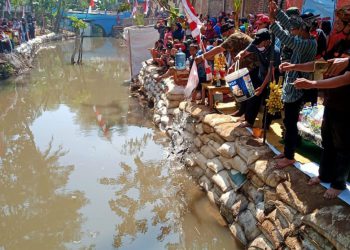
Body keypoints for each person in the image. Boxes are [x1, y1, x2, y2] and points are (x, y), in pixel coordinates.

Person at [269, 0, 317, 169]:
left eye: (295, 29)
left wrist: (273, 23)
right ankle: (288, 151)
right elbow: (290, 24)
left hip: (299, 87)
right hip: (293, 84)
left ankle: (290, 156)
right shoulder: (302, 37)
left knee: (290, 123)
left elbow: (288, 40)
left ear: (303, 29)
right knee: (288, 122)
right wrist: (277, 12)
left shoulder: (307, 43)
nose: (292, 31)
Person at [235, 28, 281, 127]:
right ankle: (249, 121)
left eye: (259, 43)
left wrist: (262, 87)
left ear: (267, 42)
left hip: (272, 78)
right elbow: (245, 52)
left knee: (270, 101)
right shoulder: (255, 44)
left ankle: (266, 125)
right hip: (261, 75)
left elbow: (270, 72)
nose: (257, 45)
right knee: (254, 96)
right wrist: (240, 55)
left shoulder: (275, 52)